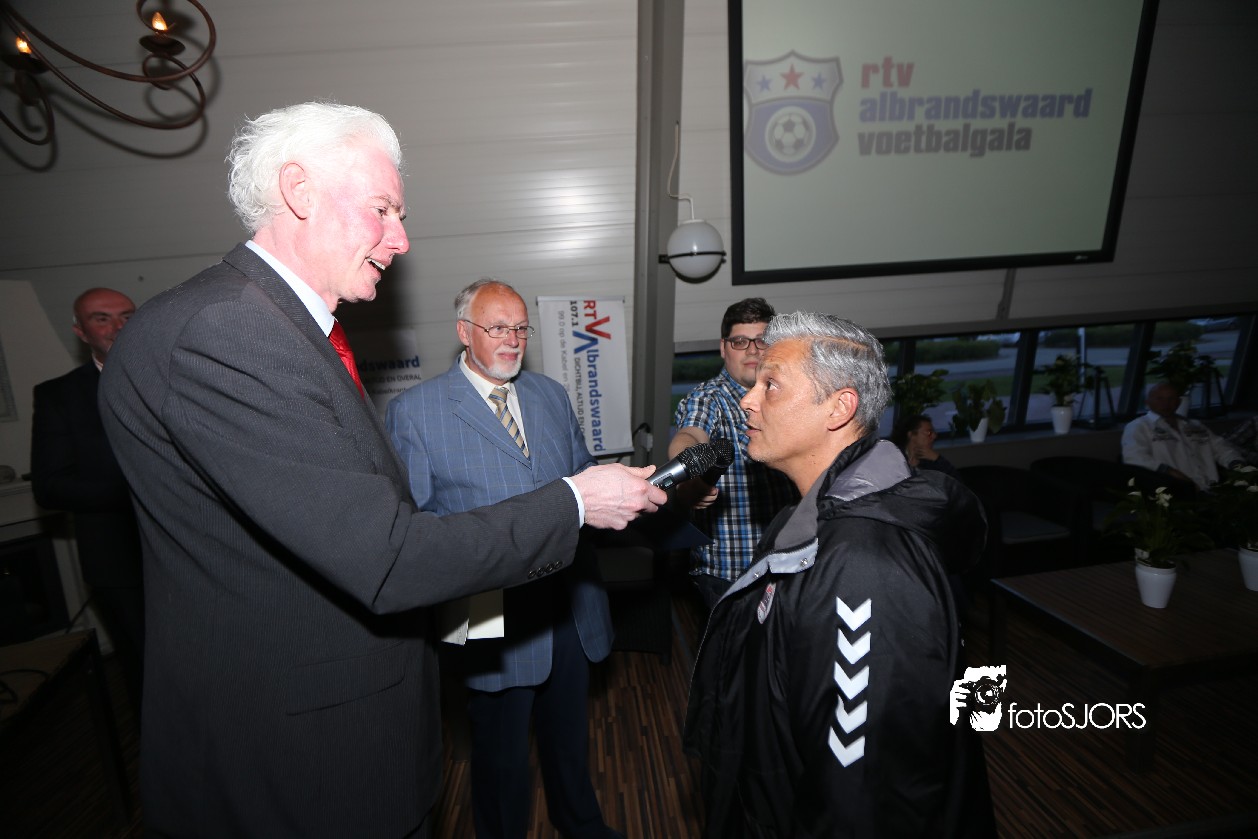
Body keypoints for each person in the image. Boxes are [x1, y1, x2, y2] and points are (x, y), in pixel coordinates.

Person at [97, 102, 664, 839]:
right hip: (301, 764)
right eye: (383, 209)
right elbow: (390, 553)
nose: (401, 238)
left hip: (341, 736)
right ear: (299, 190)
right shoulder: (230, 332)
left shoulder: (281, 330)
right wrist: (573, 503)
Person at [684, 311, 995, 838]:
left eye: (771, 385)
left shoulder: (864, 564)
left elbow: (865, 797)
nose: (748, 401)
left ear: (839, 407)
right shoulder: (800, 521)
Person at [385, 279, 623, 839]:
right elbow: (416, 529)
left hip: (568, 606)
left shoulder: (550, 395)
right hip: (489, 616)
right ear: (464, 332)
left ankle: (581, 825)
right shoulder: (415, 413)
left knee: (570, 741)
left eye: (520, 328)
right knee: (501, 759)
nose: (512, 340)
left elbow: (582, 478)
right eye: (497, 328)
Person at [30, 287, 144, 720]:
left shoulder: (178, 374)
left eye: (127, 316)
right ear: (80, 332)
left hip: (194, 554)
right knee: (147, 671)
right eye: (102, 318)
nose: (118, 327)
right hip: (120, 562)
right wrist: (143, 487)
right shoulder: (59, 396)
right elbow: (50, 487)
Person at [670, 297, 798, 610]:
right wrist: (690, 474)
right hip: (731, 573)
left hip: (789, 562)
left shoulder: (794, 396)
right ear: (723, 348)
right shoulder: (708, 399)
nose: (752, 350)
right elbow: (690, 435)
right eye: (740, 342)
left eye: (762, 340)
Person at [1121, 381, 1245, 490]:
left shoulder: (1195, 425)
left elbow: (1221, 447)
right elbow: (1134, 457)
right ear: (1147, 402)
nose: (1166, 403)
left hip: (1212, 488)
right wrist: (1169, 472)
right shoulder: (1139, 426)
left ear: (1179, 402)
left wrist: (1237, 465)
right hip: (1175, 491)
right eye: (1159, 398)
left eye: (1171, 399)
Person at [890, 413, 958, 478]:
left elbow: (955, 483)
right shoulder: (894, 461)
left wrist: (937, 459)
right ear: (911, 435)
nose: (934, 436)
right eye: (929, 432)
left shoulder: (930, 462)